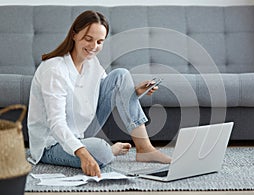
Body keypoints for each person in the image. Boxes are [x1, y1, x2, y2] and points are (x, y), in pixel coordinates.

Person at [27, 10, 171, 178]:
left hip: (81, 132)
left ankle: (145, 148)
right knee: (101, 151)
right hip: (52, 144)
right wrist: (84, 154)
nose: (94, 47)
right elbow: (56, 124)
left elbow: (113, 91)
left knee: (121, 75)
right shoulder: (54, 70)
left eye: (99, 42)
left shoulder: (91, 63)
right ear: (74, 34)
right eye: (88, 39)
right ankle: (108, 150)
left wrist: (136, 93)